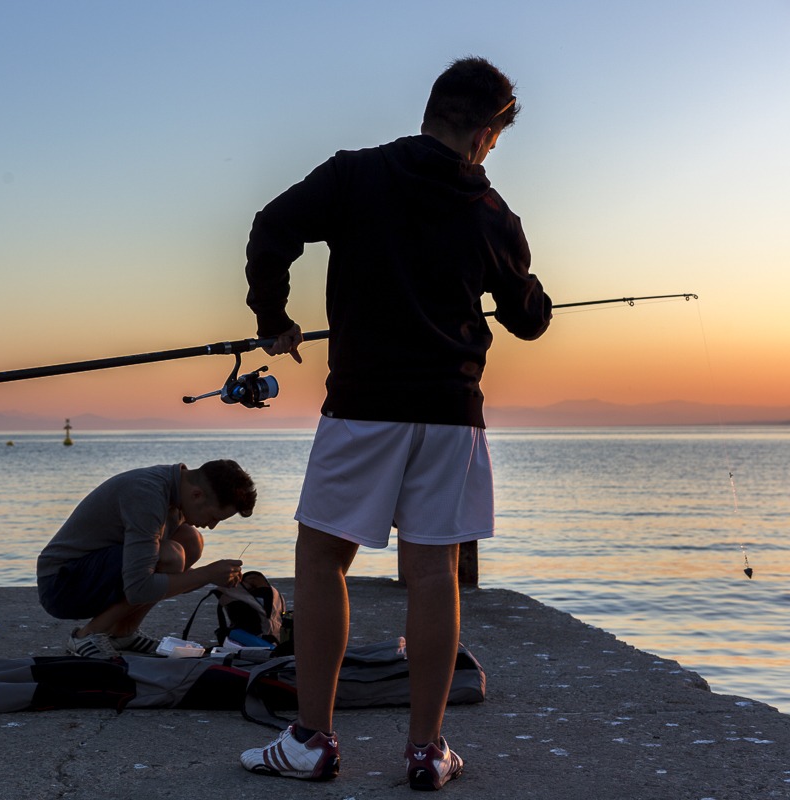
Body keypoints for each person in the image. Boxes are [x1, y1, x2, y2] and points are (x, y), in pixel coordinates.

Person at [238, 57, 552, 790]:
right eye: (498, 139)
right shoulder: (491, 213)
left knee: (321, 561)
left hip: (363, 407)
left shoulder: (355, 175)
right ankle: (426, 751)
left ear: (432, 110)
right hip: (450, 415)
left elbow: (271, 228)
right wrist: (527, 289)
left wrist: (273, 318)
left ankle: (313, 739)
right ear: (485, 131)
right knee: (433, 572)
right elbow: (528, 319)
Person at [37, 460, 256, 659]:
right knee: (171, 555)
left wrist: (210, 577)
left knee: (191, 540)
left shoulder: (177, 491)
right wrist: (206, 574)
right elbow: (140, 587)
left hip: (91, 572)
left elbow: (168, 580)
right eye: (214, 517)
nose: (212, 525)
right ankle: (86, 636)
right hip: (61, 584)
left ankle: (123, 632)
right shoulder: (147, 494)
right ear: (197, 495)